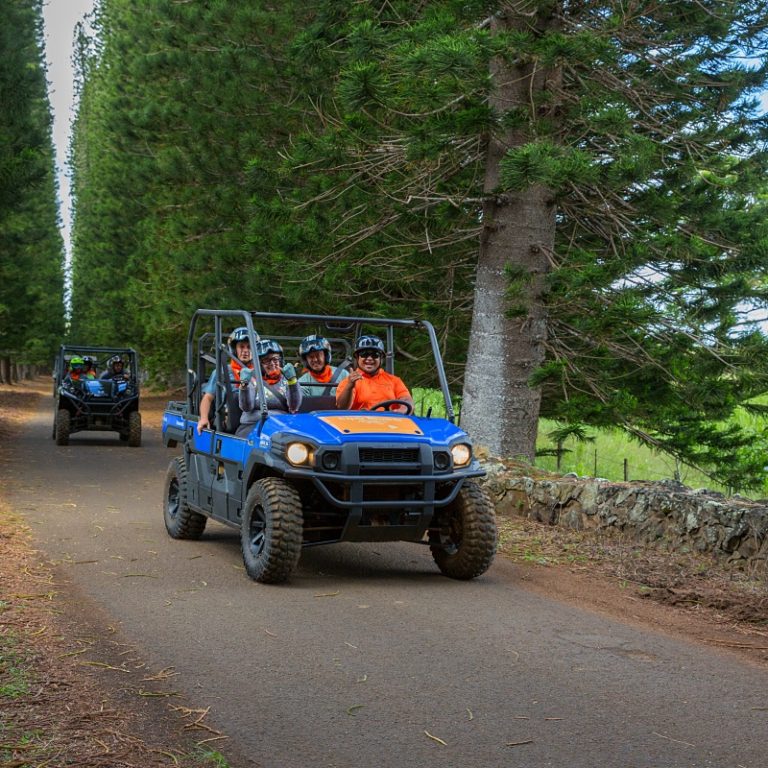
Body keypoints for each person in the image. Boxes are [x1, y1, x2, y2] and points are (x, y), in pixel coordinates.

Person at [236, 339, 302, 438]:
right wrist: (244, 386)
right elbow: (246, 407)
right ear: (258, 364)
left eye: (275, 359)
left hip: (281, 426)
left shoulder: (287, 378)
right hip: (253, 426)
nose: (272, 363)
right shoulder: (252, 378)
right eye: (266, 360)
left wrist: (293, 381)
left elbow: (294, 407)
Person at [197, 327, 256, 434]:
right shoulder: (222, 371)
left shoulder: (260, 372)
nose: (246, 351)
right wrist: (204, 418)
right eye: (241, 347)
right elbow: (208, 398)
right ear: (234, 349)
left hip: (254, 417)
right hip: (230, 419)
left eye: (249, 347)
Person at [335, 335, 413, 413]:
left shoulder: (394, 381)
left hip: (389, 422)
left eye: (375, 354)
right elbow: (342, 407)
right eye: (364, 354)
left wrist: (403, 410)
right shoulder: (349, 382)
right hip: (360, 423)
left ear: (381, 358)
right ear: (357, 357)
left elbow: (406, 400)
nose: (369, 358)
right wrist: (349, 387)